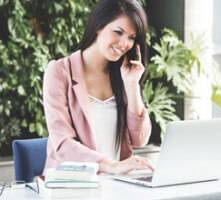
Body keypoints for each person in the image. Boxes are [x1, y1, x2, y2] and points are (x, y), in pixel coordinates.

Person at [43, 0, 153, 174]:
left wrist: (132, 86)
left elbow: (139, 140)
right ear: (98, 26)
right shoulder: (59, 71)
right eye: (118, 32)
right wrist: (111, 166)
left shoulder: (123, 75)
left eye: (131, 38)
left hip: (116, 185)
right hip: (72, 184)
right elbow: (63, 144)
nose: (125, 44)